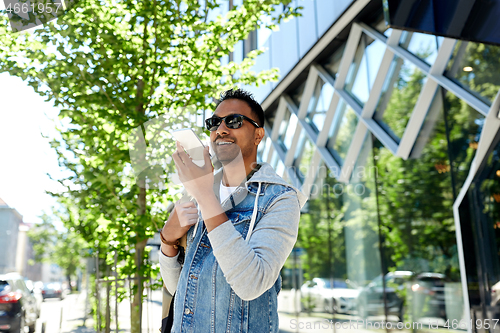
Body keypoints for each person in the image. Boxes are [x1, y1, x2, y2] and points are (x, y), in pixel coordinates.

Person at [159, 88, 307, 333]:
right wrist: (167, 240)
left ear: (258, 134)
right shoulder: (200, 192)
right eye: (214, 122)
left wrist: (205, 195)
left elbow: (251, 284)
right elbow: (182, 290)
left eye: (234, 121)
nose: (221, 129)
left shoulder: (280, 199)